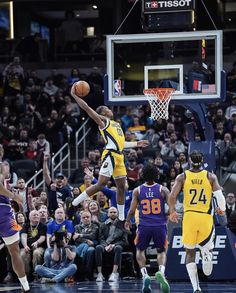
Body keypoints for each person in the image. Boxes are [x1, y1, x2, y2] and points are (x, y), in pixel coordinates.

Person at [71, 85, 149, 221]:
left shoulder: (117, 125)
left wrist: (137, 144)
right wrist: (75, 96)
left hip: (119, 156)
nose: (109, 109)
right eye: (106, 109)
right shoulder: (104, 122)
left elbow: (121, 144)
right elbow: (88, 109)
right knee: (101, 184)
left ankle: (121, 217)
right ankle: (74, 203)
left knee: (121, 188)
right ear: (103, 113)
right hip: (110, 155)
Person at [168, 150, 226, 293]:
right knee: (207, 245)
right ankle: (206, 252)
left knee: (190, 252)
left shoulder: (182, 177)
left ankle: (196, 287)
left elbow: (172, 196)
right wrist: (222, 209)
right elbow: (220, 197)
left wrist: (172, 211)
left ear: (189, 160)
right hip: (205, 217)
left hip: (189, 217)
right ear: (202, 161)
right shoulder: (210, 176)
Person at [125, 164, 170, 293]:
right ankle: (161, 271)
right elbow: (172, 205)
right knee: (161, 251)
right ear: (157, 175)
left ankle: (145, 274)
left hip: (144, 225)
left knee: (140, 250)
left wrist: (127, 221)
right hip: (160, 225)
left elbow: (132, 210)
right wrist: (170, 213)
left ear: (142, 175)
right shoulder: (163, 189)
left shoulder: (137, 190)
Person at [0, 161, 30, 292]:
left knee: (15, 251)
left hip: (6, 212)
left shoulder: (5, 179)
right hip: (4, 213)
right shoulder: (1, 168)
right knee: (14, 251)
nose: (8, 168)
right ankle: (25, 286)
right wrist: (14, 197)